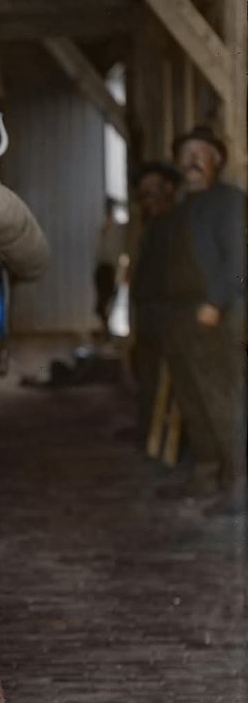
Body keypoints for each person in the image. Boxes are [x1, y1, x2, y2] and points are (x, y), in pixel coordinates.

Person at [160, 127, 246, 502]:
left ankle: (239, 484)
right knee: (194, 399)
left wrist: (216, 301)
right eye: (185, 154)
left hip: (218, 315)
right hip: (182, 317)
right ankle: (208, 473)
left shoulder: (231, 202)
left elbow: (240, 258)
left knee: (224, 400)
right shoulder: (182, 208)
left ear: (218, 160)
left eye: (201, 153)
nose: (191, 160)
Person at [129, 162, 180, 446]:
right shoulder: (151, 226)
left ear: (169, 189)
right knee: (146, 372)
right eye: (144, 192)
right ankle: (148, 430)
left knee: (167, 377)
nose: (148, 198)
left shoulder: (176, 225)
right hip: (148, 313)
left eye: (154, 191)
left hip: (167, 314)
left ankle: (168, 440)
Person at [93, 198, 126, 341]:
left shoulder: (119, 228)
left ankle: (107, 333)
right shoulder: (104, 227)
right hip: (103, 268)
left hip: (112, 269)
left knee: (109, 303)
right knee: (102, 305)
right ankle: (106, 332)